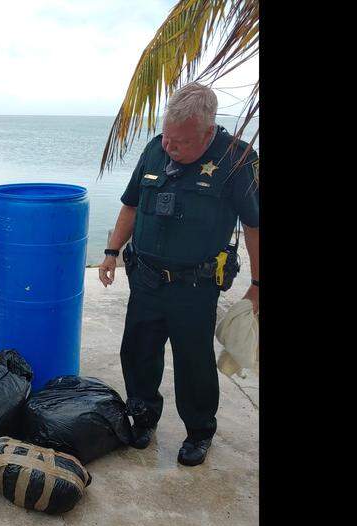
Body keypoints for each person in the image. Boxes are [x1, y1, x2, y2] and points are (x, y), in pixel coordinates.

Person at [98, 83, 259, 467]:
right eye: (168, 136)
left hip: (195, 286)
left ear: (208, 132)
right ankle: (143, 416)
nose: (171, 146)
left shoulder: (238, 160)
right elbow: (131, 204)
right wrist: (110, 252)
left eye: (182, 141)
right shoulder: (156, 147)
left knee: (194, 362)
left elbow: (254, 226)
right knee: (138, 352)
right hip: (146, 278)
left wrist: (257, 285)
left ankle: (199, 431)